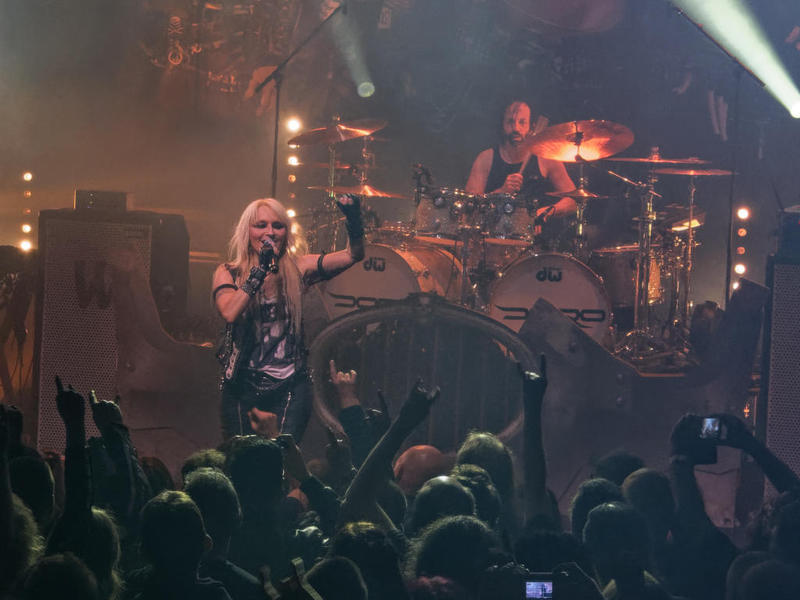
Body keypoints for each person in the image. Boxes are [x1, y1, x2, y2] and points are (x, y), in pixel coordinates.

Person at [213, 195, 365, 441]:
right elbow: (230, 312)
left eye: (278, 225)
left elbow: (352, 255)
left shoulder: (299, 267)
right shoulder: (229, 272)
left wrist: (354, 221)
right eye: (261, 225)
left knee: (282, 456)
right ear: (247, 231)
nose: (270, 232)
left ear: (286, 232)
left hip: (290, 386)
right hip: (242, 386)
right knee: (241, 457)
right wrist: (259, 271)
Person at [465, 100, 576, 222]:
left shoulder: (546, 159)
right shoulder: (486, 158)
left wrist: (549, 211)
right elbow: (469, 207)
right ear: (502, 125)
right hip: (493, 231)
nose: (516, 128)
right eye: (510, 122)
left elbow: (573, 200)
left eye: (522, 122)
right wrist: (501, 192)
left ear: (531, 127)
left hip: (535, 232)